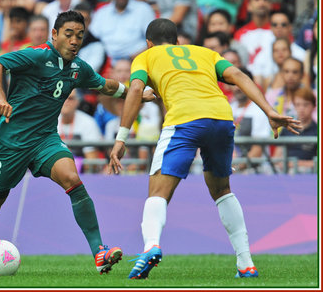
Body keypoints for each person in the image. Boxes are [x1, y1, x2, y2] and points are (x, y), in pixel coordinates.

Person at [0, 11, 156, 274]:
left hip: (45, 140)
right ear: (54, 35)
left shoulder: (78, 68)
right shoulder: (37, 55)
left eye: (79, 36)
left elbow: (105, 86)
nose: (75, 41)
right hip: (11, 143)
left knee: (72, 179)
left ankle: (99, 251)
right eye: (68, 34)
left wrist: (136, 93)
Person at [109, 18, 301, 280]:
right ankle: (245, 263)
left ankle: (150, 245)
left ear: (149, 43)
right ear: (178, 42)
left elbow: (135, 89)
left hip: (184, 120)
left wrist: (121, 138)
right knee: (222, 190)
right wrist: (269, 111)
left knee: (157, 191)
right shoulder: (204, 52)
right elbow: (238, 75)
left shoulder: (146, 56)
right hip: (222, 118)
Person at [90, 0, 155, 63]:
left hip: (137, 60)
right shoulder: (101, 13)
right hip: (106, 63)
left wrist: (137, 56)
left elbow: (154, 40)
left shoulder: (143, 9)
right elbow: (92, 38)